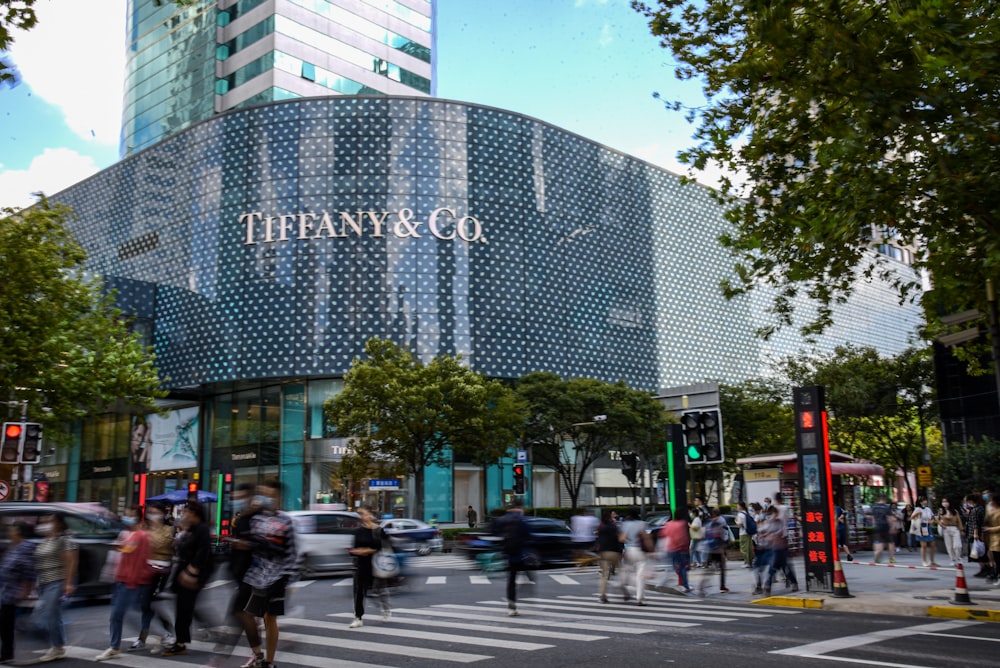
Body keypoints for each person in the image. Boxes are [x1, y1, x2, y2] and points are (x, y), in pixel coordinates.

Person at [236, 479, 299, 668]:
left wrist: (287, 577)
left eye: (270, 495)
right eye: (263, 494)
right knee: (247, 614)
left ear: (278, 496)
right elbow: (250, 540)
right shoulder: (256, 519)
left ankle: (269, 662)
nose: (266, 498)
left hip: (277, 575)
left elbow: (292, 552)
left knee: (270, 617)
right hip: (257, 576)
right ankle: (258, 655)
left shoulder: (286, 520)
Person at [96, 509, 154, 661]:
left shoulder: (142, 536)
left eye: (131, 515)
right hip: (120, 579)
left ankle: (158, 634)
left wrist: (132, 581)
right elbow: (121, 556)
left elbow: (140, 560)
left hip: (130, 581)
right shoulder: (125, 534)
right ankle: (114, 646)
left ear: (138, 519)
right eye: (126, 514)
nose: (127, 518)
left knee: (122, 614)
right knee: (118, 615)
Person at [161, 501, 214, 656]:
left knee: (185, 608)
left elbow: (203, 553)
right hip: (183, 570)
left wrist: (192, 572)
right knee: (184, 607)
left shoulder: (202, 529)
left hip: (193, 573)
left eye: (186, 511)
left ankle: (180, 642)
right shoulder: (190, 529)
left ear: (194, 513)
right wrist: (182, 531)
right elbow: (180, 548)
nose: (183, 514)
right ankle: (183, 638)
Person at [34, 514, 78, 663]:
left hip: (57, 581)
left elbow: (71, 561)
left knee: (51, 614)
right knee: (53, 614)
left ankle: (57, 646)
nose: (44, 524)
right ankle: (58, 645)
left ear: (58, 524)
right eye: (42, 521)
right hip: (44, 582)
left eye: (48, 521)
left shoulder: (64, 540)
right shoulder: (45, 540)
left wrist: (68, 583)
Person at [136, 504, 175, 651]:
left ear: (162, 514)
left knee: (148, 602)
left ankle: (163, 631)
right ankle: (145, 636)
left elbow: (161, 544)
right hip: (145, 569)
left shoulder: (168, 529)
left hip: (161, 570)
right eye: (150, 512)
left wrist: (147, 538)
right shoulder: (144, 529)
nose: (152, 515)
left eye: (155, 512)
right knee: (145, 603)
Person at [348, 506, 391, 627]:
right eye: (361, 514)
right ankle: (358, 617)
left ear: (371, 515)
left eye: (364, 514)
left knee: (379, 589)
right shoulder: (358, 531)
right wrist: (355, 551)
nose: (362, 517)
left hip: (376, 564)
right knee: (359, 591)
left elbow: (383, 547)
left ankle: (386, 610)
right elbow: (354, 547)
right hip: (361, 564)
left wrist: (369, 550)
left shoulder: (378, 530)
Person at [0, 522, 36, 663]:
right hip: (5, 589)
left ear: (20, 532)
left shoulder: (26, 547)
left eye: (12, 530)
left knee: (5, 624)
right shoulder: (14, 546)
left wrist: (26, 588)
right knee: (5, 624)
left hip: (13, 590)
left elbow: (29, 569)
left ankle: (7, 653)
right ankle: (7, 653)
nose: (10, 533)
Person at [493, 502, 533, 616]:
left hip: (507, 553)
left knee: (511, 580)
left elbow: (494, 532)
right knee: (528, 573)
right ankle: (527, 592)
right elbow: (529, 535)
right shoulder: (521, 520)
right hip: (520, 553)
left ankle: (511, 605)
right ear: (520, 508)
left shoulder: (502, 520)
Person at [760, 505, 798, 594]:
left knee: (780, 567)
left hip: (781, 549)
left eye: (774, 513)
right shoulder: (769, 522)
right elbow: (766, 529)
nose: (773, 515)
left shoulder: (779, 521)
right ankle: (768, 586)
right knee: (777, 567)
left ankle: (768, 586)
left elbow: (780, 532)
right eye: (771, 514)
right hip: (775, 549)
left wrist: (770, 535)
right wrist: (763, 533)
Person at [595, 510, 627, 603]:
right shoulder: (614, 526)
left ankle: (602, 595)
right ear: (610, 516)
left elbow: (598, 536)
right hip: (614, 552)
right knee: (621, 572)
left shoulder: (600, 526)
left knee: (604, 575)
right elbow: (619, 539)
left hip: (603, 552)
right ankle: (625, 592)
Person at [619, 507, 649, 605]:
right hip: (639, 551)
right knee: (640, 575)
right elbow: (645, 538)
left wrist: (629, 541)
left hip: (628, 550)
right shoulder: (642, 524)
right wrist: (652, 550)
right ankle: (640, 598)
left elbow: (622, 538)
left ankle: (622, 583)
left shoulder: (625, 524)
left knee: (626, 570)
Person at [699, 508, 729, 594]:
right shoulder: (719, 523)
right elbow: (722, 536)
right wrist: (723, 548)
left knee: (713, 567)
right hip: (718, 549)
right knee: (721, 568)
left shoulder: (709, 523)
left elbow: (704, 535)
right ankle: (722, 585)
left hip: (710, 549)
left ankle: (703, 584)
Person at [658, 514, 691, 593]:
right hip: (679, 549)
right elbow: (683, 537)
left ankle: (662, 582)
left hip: (669, 548)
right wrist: (686, 548)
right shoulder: (682, 524)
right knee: (682, 567)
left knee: (671, 567)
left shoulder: (668, 524)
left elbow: (662, 534)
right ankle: (685, 585)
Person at [937, 497, 965, 567]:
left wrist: (961, 530)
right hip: (946, 529)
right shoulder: (941, 511)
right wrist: (941, 524)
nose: (945, 503)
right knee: (949, 546)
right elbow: (937, 520)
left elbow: (959, 521)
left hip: (955, 528)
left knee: (957, 545)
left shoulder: (955, 511)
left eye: (946, 501)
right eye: (943, 502)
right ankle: (953, 559)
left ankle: (959, 558)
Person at [910, 497, 938, 567]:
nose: (925, 502)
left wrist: (931, 521)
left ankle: (932, 560)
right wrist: (917, 513)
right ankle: (924, 561)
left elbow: (932, 518)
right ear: (920, 502)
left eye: (925, 500)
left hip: (927, 526)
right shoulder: (917, 509)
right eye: (923, 501)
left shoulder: (928, 509)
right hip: (921, 526)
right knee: (924, 545)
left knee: (932, 544)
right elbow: (912, 517)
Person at [965, 494, 988, 576]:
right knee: (982, 552)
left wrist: (975, 534)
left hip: (974, 534)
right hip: (981, 533)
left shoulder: (974, 510)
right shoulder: (981, 508)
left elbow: (975, 523)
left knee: (977, 552)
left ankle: (984, 568)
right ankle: (985, 568)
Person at [871, 495, 895, 564]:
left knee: (878, 541)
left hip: (878, 525)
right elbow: (889, 518)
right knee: (890, 542)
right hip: (885, 525)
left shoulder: (874, 507)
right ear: (885, 500)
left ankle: (877, 552)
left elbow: (873, 518)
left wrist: (874, 525)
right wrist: (892, 527)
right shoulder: (886, 507)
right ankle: (891, 557)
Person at [983, 494, 1000, 583]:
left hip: (998, 538)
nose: (991, 502)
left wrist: (990, 529)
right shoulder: (991, 511)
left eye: (992, 501)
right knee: (995, 558)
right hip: (992, 538)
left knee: (998, 558)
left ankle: (996, 575)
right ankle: (996, 574)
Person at [735, 502, 754, 567]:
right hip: (749, 532)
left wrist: (735, 521)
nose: (737, 507)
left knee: (744, 549)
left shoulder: (740, 514)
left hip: (743, 533)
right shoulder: (746, 513)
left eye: (737, 505)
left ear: (740, 506)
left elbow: (739, 525)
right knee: (749, 548)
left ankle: (747, 562)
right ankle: (750, 562)